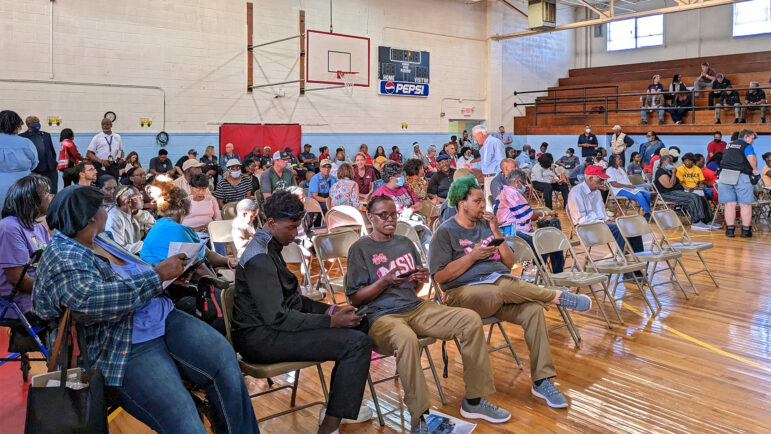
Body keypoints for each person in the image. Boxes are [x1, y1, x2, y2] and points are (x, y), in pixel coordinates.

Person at [32, 185, 259, 433]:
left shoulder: (100, 239)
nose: (107, 211)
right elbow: (90, 303)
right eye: (103, 207)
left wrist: (170, 275)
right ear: (90, 217)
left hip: (159, 316)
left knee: (224, 361)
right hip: (120, 341)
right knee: (181, 415)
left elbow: (137, 272)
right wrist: (157, 275)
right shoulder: (63, 255)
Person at [347, 195, 511, 432]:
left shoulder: (404, 243)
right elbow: (354, 298)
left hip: (415, 307)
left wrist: (419, 281)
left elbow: (412, 289)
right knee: (406, 339)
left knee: (469, 319)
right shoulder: (360, 248)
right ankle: (420, 417)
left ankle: (475, 400)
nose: (390, 219)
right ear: (370, 217)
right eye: (383, 215)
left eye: (393, 214)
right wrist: (383, 282)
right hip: (380, 316)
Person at [431, 176, 593, 410]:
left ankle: (542, 380)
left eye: (482, 201)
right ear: (461, 203)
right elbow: (439, 277)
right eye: (477, 201)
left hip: (499, 287)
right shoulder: (445, 233)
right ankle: (555, 296)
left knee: (533, 309)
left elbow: (508, 264)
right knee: (501, 288)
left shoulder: (486, 225)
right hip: (464, 293)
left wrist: (496, 230)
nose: (483, 206)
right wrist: (472, 256)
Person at [232, 190, 372, 434]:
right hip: (260, 339)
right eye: (291, 227)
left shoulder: (271, 247)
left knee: (360, 324)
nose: (296, 233)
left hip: (274, 328)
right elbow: (278, 317)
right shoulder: (260, 258)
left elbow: (294, 301)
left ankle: (342, 405)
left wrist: (332, 309)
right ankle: (330, 425)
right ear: (272, 222)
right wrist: (331, 322)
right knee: (356, 344)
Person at [0, 175, 51, 319]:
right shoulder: (9, 227)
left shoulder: (39, 228)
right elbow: (19, 281)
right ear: (32, 200)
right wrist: (55, 289)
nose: (51, 197)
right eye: (47, 193)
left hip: (40, 298)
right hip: (21, 306)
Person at [494, 169, 564, 273]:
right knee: (546, 243)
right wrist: (544, 213)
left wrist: (533, 222)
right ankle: (540, 275)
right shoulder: (511, 193)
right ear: (517, 182)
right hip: (513, 234)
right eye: (523, 183)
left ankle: (553, 276)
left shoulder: (506, 192)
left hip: (516, 230)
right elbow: (527, 215)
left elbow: (518, 217)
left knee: (554, 242)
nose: (525, 186)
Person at [567, 166, 644, 252]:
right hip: (586, 227)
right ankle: (627, 257)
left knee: (632, 225)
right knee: (618, 229)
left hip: (598, 224)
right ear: (590, 178)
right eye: (600, 179)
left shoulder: (597, 192)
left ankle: (639, 256)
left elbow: (601, 213)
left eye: (603, 180)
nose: (602, 182)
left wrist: (608, 220)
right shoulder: (576, 192)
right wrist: (603, 222)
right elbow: (581, 220)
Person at [654, 155, 716, 230]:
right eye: (670, 162)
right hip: (667, 194)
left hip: (678, 191)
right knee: (693, 197)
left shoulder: (669, 171)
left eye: (672, 162)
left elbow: (679, 183)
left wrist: (689, 188)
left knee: (701, 196)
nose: (672, 164)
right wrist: (674, 173)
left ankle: (707, 220)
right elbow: (669, 185)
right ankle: (696, 222)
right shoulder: (660, 172)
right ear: (664, 162)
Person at [718, 129, 760, 238]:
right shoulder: (746, 145)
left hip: (725, 175)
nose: (753, 141)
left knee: (729, 204)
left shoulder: (729, 145)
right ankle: (746, 231)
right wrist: (755, 170)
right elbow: (751, 158)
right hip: (741, 175)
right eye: (752, 138)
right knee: (745, 204)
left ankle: (730, 231)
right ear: (746, 137)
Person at [0, 110, 39, 207]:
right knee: (21, 217)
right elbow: (34, 163)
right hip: (22, 186)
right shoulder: (26, 143)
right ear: (16, 126)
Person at [105, 185, 155, 254]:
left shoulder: (135, 213)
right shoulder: (114, 218)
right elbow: (118, 249)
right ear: (128, 202)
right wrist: (145, 245)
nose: (142, 199)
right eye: (139, 197)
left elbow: (154, 225)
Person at [19, 115, 58, 194]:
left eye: (38, 122)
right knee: (35, 192)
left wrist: (53, 163)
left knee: (52, 191)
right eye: (35, 122)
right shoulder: (22, 137)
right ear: (29, 124)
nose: (38, 124)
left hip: (50, 169)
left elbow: (52, 151)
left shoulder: (46, 135)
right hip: (34, 171)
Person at [606, 154, 652, 219]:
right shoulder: (609, 170)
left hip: (628, 187)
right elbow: (614, 184)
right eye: (619, 159)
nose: (621, 160)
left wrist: (630, 186)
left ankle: (647, 212)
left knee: (647, 193)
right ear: (614, 161)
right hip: (619, 190)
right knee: (639, 195)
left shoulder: (620, 168)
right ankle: (648, 214)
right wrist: (628, 186)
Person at [472, 125, 505, 206]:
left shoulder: (495, 142)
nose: (474, 139)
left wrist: (496, 180)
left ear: (480, 134)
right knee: (489, 204)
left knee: (495, 204)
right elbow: (485, 163)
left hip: (494, 177)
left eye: (475, 136)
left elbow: (501, 162)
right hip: (486, 178)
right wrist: (472, 165)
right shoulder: (484, 146)